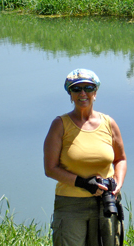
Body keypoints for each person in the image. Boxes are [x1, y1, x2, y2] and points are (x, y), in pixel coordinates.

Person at [44, 68, 127, 246]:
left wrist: (117, 185)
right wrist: (83, 183)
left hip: (105, 203)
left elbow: (120, 159)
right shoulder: (60, 125)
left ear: (95, 93)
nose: (83, 93)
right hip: (71, 206)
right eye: (77, 89)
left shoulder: (109, 124)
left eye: (88, 88)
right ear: (70, 94)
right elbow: (50, 169)